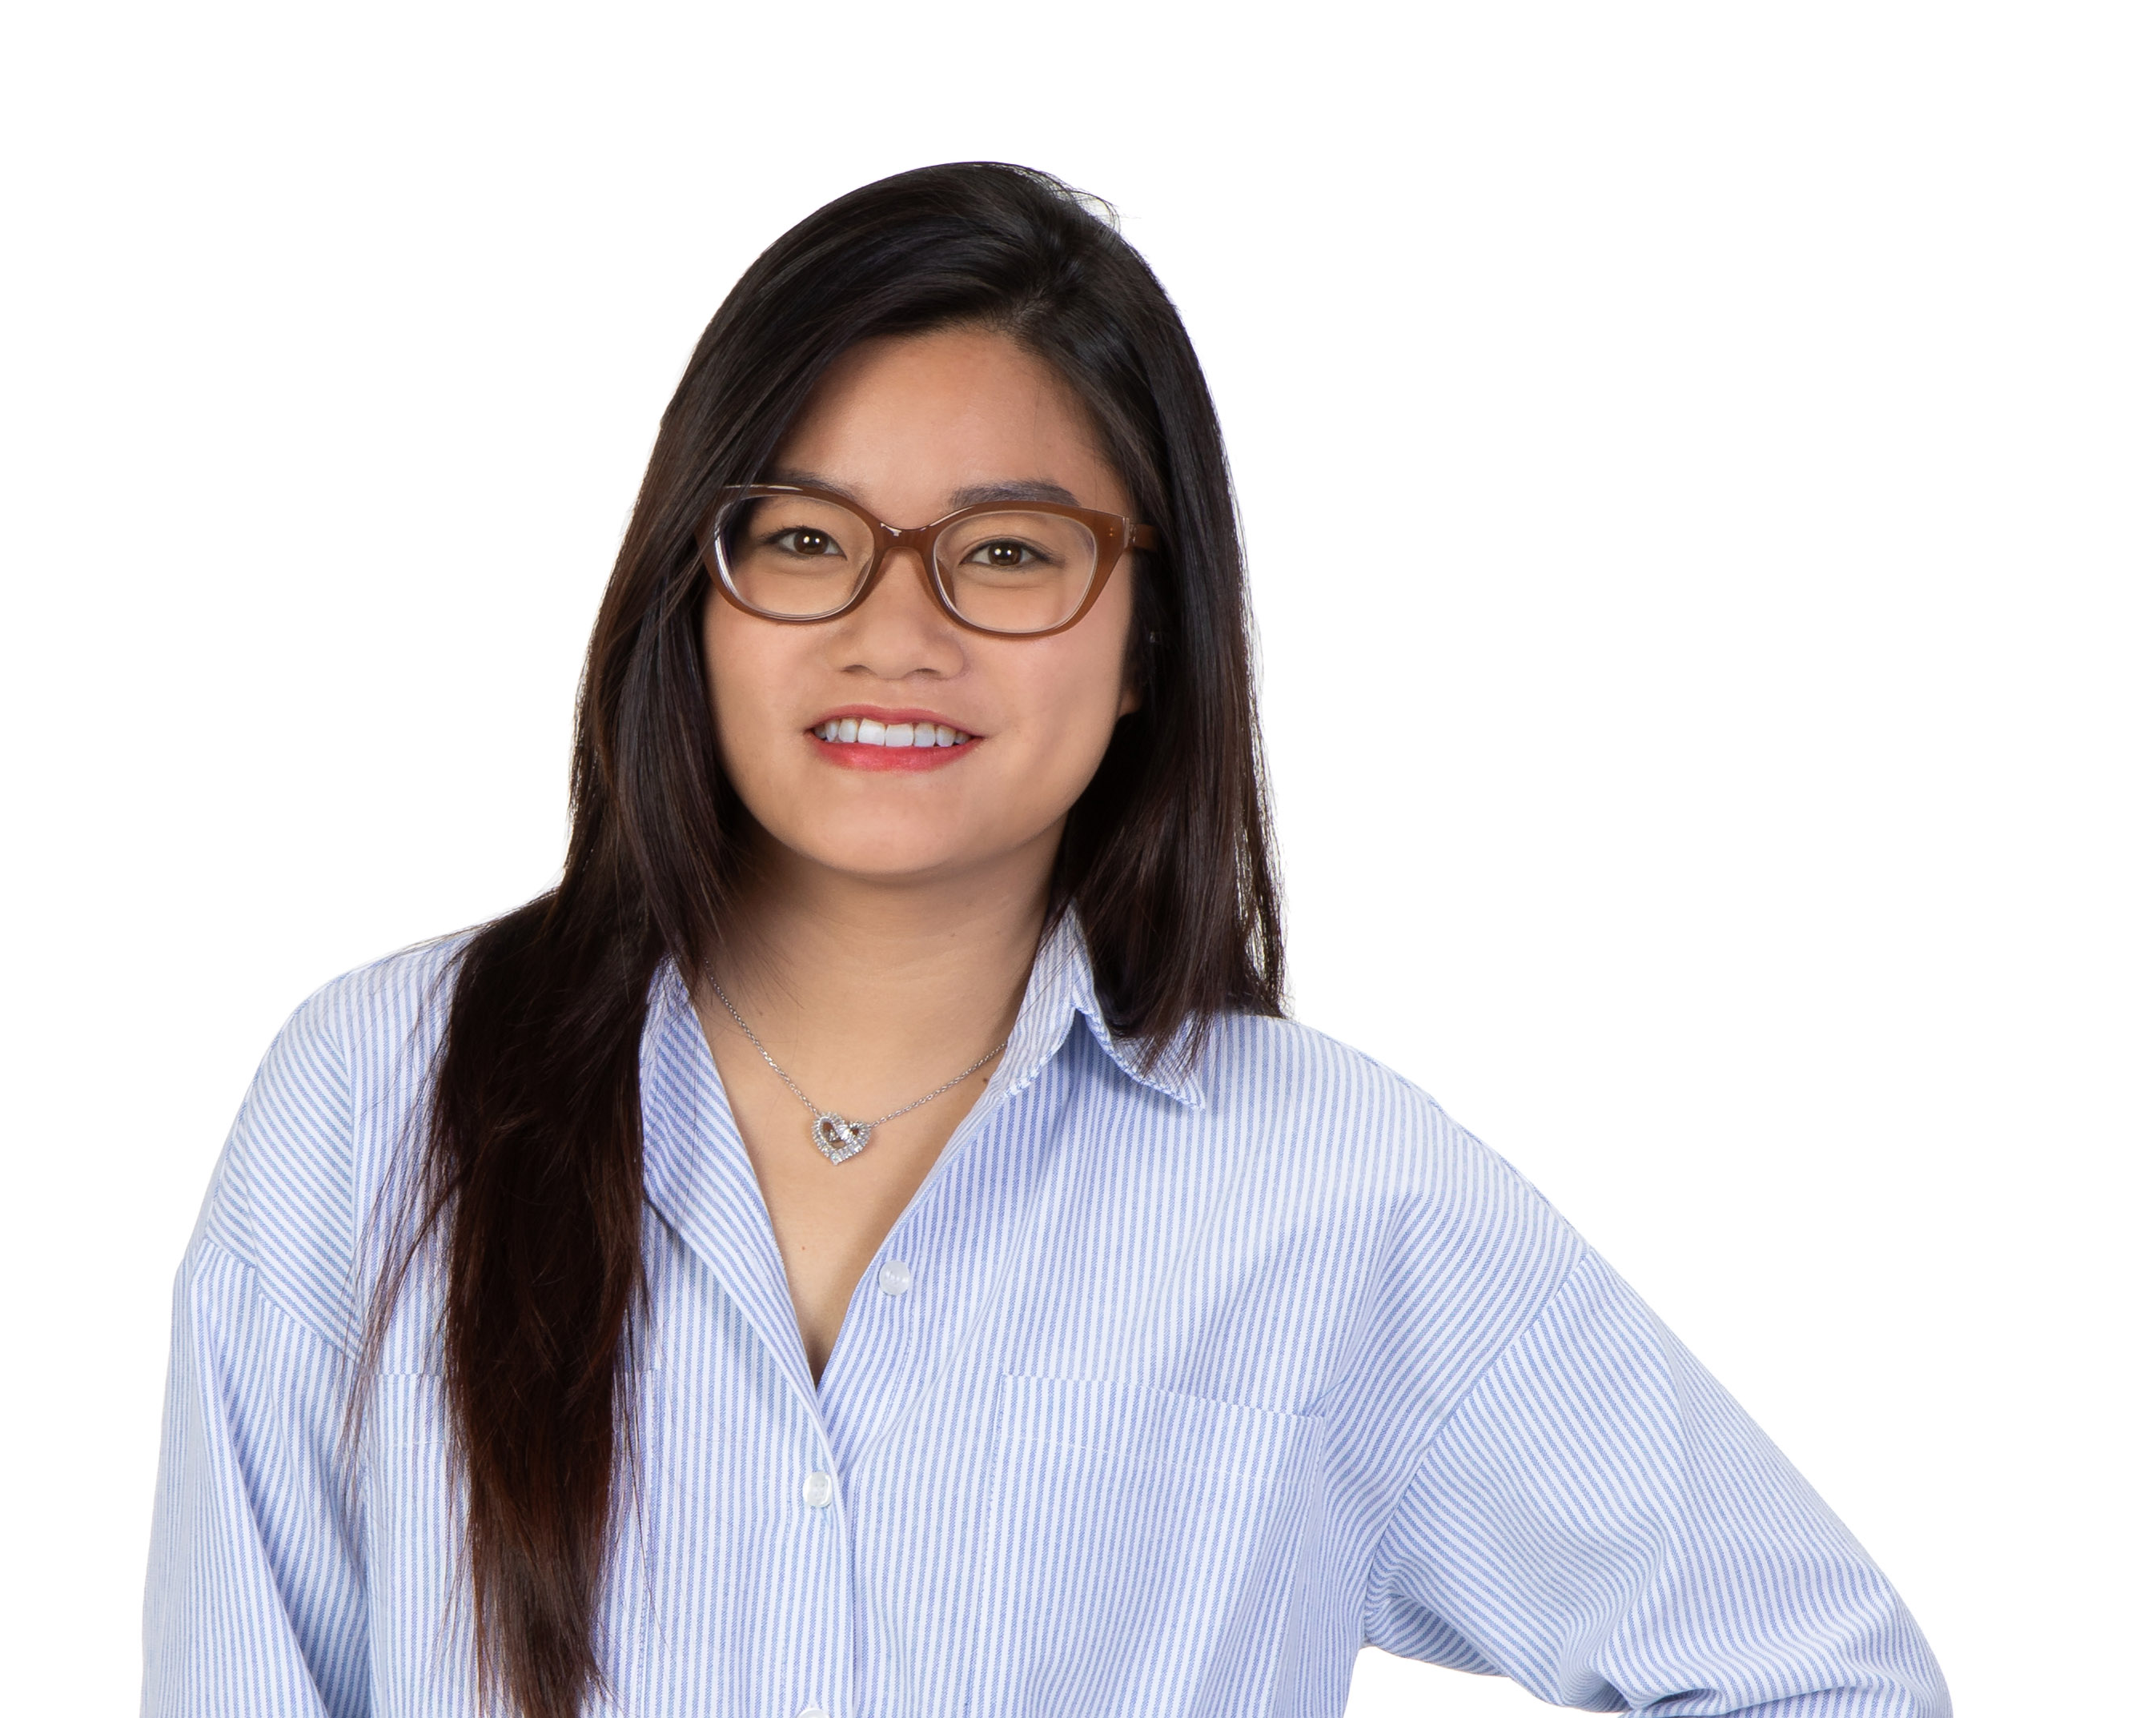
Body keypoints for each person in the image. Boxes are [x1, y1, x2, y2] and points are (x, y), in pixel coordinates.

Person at [142, 163, 1947, 1718]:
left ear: (1151, 630)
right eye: (803, 538)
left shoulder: (1328, 1188)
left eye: (1007, 553)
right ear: (694, 591)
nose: (894, 630)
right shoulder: (378, 1098)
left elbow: (1814, 1670)